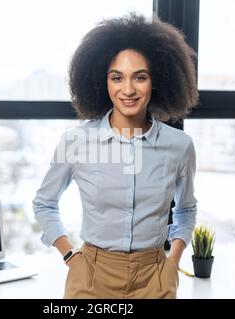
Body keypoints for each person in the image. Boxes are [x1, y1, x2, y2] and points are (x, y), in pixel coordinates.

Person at [32, 13, 198, 299]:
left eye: (140, 77)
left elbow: (185, 210)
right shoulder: (77, 141)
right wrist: (71, 256)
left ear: (156, 81)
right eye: (116, 77)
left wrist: (172, 263)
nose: (129, 89)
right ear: (102, 82)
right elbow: (44, 204)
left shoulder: (179, 146)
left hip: (155, 278)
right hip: (91, 276)